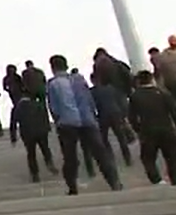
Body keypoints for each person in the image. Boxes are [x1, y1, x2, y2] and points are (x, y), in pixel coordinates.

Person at [45, 54, 123, 195]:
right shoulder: (79, 79)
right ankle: (114, 182)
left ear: (52, 67)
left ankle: (72, 187)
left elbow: (54, 107)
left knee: (70, 157)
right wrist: (92, 115)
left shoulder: (53, 84)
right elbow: (89, 98)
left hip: (67, 122)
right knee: (100, 153)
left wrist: (58, 121)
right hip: (87, 120)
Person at [127, 69, 176, 185]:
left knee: (148, 158)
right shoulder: (163, 93)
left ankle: (157, 180)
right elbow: (174, 110)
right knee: (172, 158)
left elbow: (131, 116)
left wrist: (138, 129)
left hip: (147, 131)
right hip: (167, 128)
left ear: (138, 81)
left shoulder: (135, 96)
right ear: (152, 79)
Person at [90, 69, 134, 166]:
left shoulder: (92, 92)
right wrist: (123, 115)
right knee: (121, 137)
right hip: (115, 113)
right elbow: (119, 101)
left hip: (103, 116)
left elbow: (92, 106)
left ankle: (110, 158)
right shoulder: (111, 88)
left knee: (104, 139)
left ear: (92, 81)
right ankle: (128, 158)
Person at [10, 91, 56, 182]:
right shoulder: (37, 104)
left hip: (27, 133)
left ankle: (35, 174)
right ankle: (49, 163)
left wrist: (13, 138)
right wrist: (47, 128)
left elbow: (13, 124)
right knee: (45, 148)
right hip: (40, 131)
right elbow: (44, 117)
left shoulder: (16, 108)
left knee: (31, 154)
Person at [2, 65, 26, 136]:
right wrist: (9, 90)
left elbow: (22, 84)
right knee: (17, 105)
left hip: (19, 93)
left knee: (19, 106)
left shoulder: (17, 77)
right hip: (13, 93)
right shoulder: (6, 78)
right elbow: (4, 87)